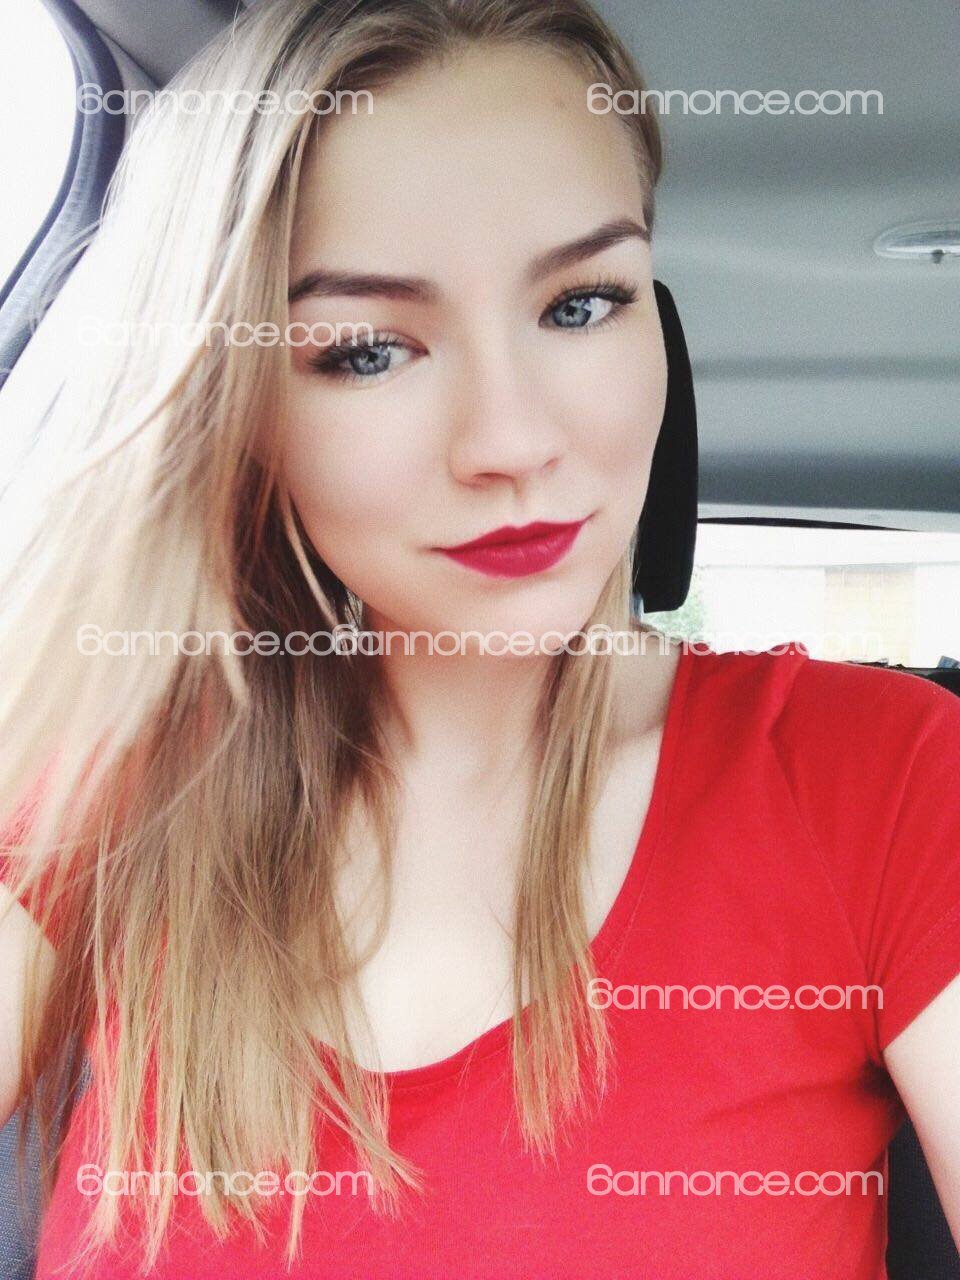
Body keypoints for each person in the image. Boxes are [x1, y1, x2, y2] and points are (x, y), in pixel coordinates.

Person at [0, 1, 958, 1276]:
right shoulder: (107, 784)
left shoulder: (885, 780)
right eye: (367, 350)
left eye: (581, 303)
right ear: (236, 407)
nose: (510, 439)